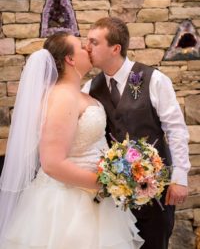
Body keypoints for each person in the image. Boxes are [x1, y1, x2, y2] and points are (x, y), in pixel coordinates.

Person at [0, 32, 144, 249]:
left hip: (93, 198)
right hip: (66, 204)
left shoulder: (81, 94)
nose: (88, 48)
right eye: (81, 46)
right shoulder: (62, 97)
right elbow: (52, 163)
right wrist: (106, 183)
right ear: (70, 59)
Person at [82, 17, 191, 249]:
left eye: (94, 42)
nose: (87, 47)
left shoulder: (154, 80)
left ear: (115, 48)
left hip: (156, 193)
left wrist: (180, 177)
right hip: (113, 200)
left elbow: (176, 129)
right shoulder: (89, 89)